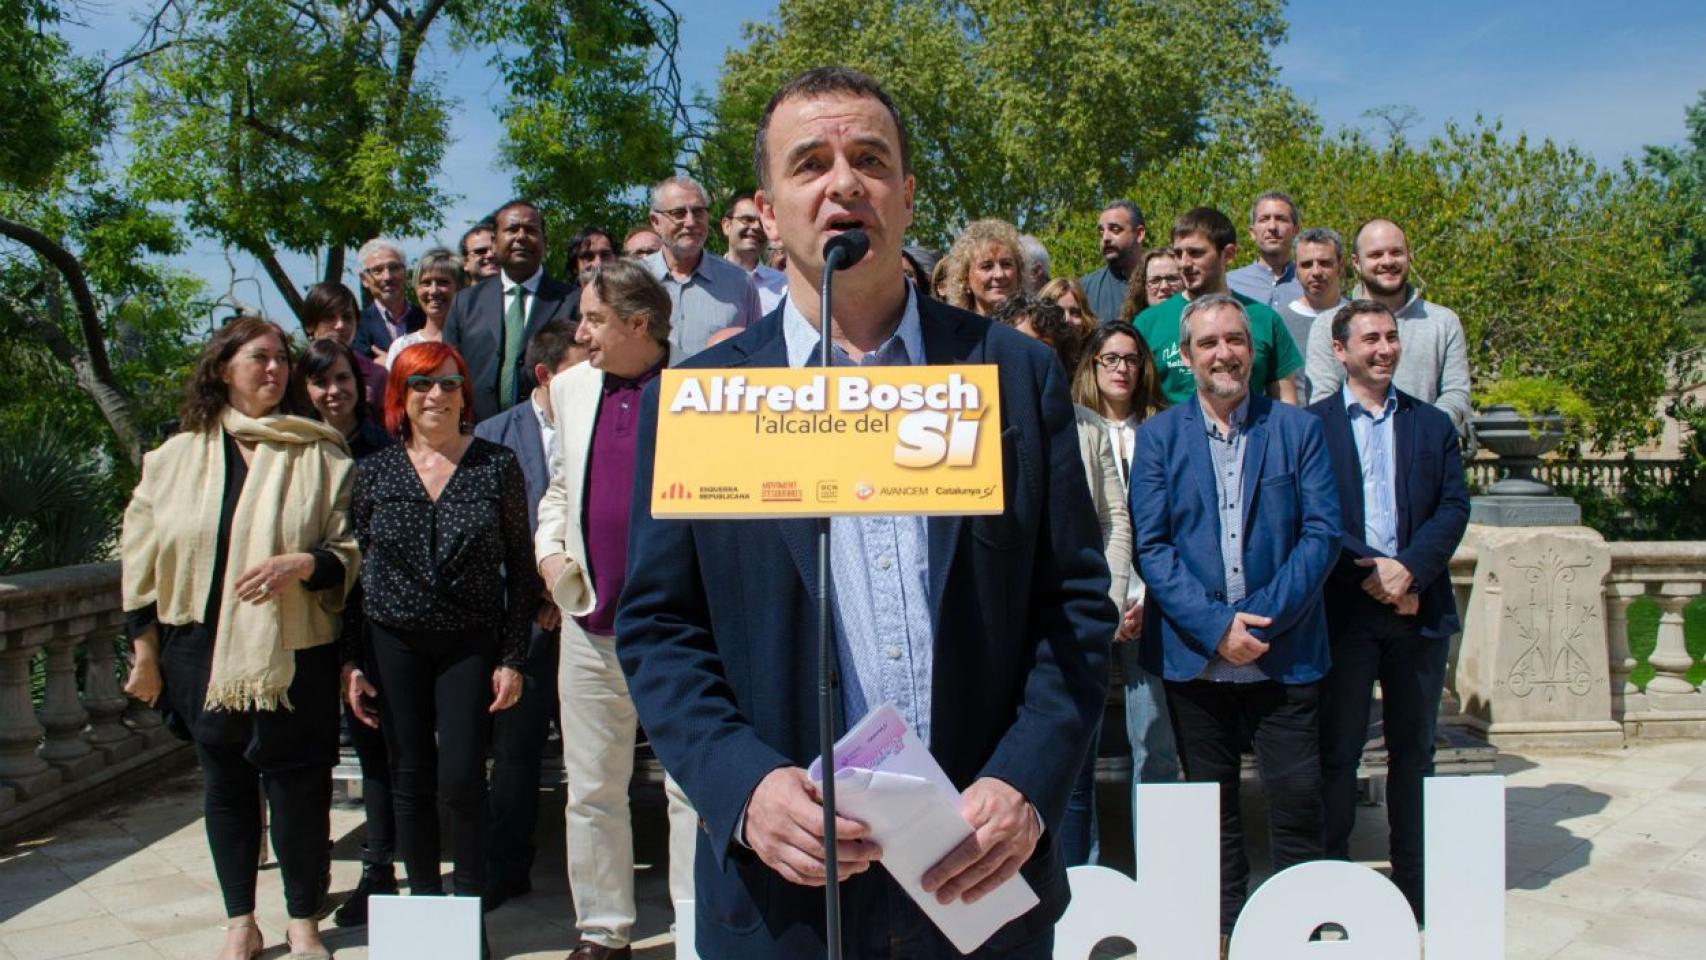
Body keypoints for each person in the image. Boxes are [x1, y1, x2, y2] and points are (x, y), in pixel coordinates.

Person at [616, 65, 1114, 959]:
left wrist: (1026, 783)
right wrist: (744, 787)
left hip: (978, 873)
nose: (843, 182)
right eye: (809, 163)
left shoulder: (1010, 376)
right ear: (766, 212)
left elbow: (1073, 608)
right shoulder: (700, 398)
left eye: (870, 159)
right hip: (788, 897)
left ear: (908, 196)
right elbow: (659, 628)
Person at [122, 316, 358, 960]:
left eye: (282, 359)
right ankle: (240, 921)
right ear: (223, 366)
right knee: (224, 786)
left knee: (300, 788)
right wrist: (143, 653)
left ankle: (305, 920)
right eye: (259, 358)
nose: (275, 370)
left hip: (296, 645)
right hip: (198, 646)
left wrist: (304, 564)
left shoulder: (320, 452)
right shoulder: (172, 459)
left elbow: (348, 548)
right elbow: (140, 562)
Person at [1129, 293, 1339, 944]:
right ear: (1187, 358)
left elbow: (1322, 534)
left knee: (1297, 805)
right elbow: (1153, 547)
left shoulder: (1299, 431)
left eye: (1236, 341)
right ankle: (1224, 934)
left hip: (1286, 657)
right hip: (1197, 665)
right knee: (1212, 816)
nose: (1225, 353)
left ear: (1254, 351)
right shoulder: (1159, 438)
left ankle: (1297, 933)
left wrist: (1259, 623)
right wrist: (1218, 628)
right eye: (1209, 343)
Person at [345, 342, 539, 953]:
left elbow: (521, 567)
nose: (436, 394)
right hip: (392, 639)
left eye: (449, 383)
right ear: (401, 396)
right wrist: (351, 661)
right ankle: (425, 912)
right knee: (409, 777)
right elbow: (356, 573)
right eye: (421, 383)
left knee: (460, 778)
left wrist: (512, 658)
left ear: (464, 394)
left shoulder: (496, 465)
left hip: (469, 641)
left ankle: (468, 908)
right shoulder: (375, 472)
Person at [534, 261, 701, 959]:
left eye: (595, 320)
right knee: (592, 790)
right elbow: (558, 491)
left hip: (682, 634)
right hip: (591, 628)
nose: (581, 333)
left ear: (639, 324)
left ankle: (697, 928)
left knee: (693, 790)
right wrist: (550, 558)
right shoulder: (570, 388)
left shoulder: (700, 391)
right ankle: (603, 931)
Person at [1307, 300, 1469, 922]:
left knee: (1414, 755)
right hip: (1346, 612)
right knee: (1338, 753)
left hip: (1417, 612)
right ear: (1340, 351)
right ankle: (1331, 885)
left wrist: (1411, 571)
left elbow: (1453, 508)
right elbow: (1314, 515)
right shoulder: (1312, 426)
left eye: (1391, 337)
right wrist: (1377, 571)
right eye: (1369, 339)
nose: (1384, 348)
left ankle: (1415, 887)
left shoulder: (1432, 425)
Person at [993, 296, 1130, 868]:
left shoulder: (1089, 429)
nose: (1029, 364)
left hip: (1071, 631)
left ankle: (1080, 892)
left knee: (1070, 781)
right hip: (998, 636)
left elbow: (1113, 520)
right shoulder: (969, 426)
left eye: (1043, 355)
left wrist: (1110, 603)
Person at [468, 318, 582, 912]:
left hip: (592, 616)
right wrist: (539, 599)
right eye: (577, 364)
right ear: (545, 375)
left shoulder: (606, 415)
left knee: (596, 759)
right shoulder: (492, 435)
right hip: (527, 625)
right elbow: (486, 536)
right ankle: (507, 864)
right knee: (515, 753)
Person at [290, 339, 398, 926]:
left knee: (374, 752)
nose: (332, 392)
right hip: (305, 617)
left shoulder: (384, 449)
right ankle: (308, 881)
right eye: (319, 382)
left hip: (371, 619)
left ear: (360, 384)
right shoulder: (291, 450)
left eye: (341, 380)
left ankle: (377, 869)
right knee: (307, 758)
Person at [1070, 321, 1180, 822]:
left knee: (1155, 744)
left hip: (1152, 604)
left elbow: (1179, 521)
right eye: (1110, 358)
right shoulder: (1073, 426)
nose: (1122, 369)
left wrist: (1151, 595)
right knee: (1077, 754)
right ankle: (1084, 871)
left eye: (1131, 359)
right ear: (1092, 364)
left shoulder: (1164, 427)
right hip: (1092, 605)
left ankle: (1156, 867)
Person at [1306, 218, 1472, 433]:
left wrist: (1422, 432)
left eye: (1396, 253)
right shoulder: (1327, 325)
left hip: (1426, 451)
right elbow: (1324, 398)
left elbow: (1456, 395)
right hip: (1354, 453)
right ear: (1356, 262)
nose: (1387, 261)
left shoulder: (1443, 322)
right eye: (1376, 255)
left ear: (1409, 256)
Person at [1132, 207, 1303, 406]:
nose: (1184, 263)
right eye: (1178, 254)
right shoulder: (1148, 323)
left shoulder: (1264, 319)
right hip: (1173, 434)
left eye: (1196, 253)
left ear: (1228, 254)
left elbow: (1285, 400)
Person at [444, 199, 578, 422]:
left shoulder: (572, 301)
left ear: (545, 242)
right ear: (495, 242)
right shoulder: (465, 303)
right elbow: (448, 371)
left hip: (550, 431)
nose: (521, 236)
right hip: (478, 433)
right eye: (512, 229)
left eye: (531, 230)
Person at [641, 175, 763, 362]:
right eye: (678, 213)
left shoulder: (740, 282)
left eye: (698, 212)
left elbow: (758, 353)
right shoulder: (633, 280)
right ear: (655, 222)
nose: (690, 222)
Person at [1279, 228, 1350, 404]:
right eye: (1307, 264)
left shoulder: (1359, 318)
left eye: (1325, 263)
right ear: (1296, 270)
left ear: (1340, 266)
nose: (1316, 271)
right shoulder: (1279, 322)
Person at [303, 281, 389, 410]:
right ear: (310, 325)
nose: (340, 325)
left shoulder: (378, 375)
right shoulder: (295, 376)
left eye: (347, 317)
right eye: (329, 317)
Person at [385, 247, 462, 368]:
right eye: (426, 283)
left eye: (443, 282)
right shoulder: (402, 347)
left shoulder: (471, 342)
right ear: (416, 289)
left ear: (459, 288)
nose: (434, 291)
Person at [1227, 191, 1305, 308]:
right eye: (1264, 219)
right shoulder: (1228, 284)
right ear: (1253, 233)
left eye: (1280, 219)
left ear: (1295, 231)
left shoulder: (1310, 284)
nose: (1272, 227)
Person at [353, 238, 424, 361]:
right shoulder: (356, 325)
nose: (387, 277)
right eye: (378, 270)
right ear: (364, 279)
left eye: (394, 268)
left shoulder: (426, 319)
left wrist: (391, 363)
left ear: (405, 272)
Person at [722, 190, 789, 314]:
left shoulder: (783, 286)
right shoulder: (708, 281)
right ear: (727, 226)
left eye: (762, 223)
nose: (756, 227)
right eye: (747, 219)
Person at [942, 218, 1027, 316]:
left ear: (1019, 272)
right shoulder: (950, 328)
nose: (999, 274)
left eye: (1006, 264)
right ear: (965, 277)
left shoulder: (1036, 328)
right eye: (987, 266)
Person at [1078, 200, 1146, 322]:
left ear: (1139, 234)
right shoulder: (1083, 290)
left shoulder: (1162, 283)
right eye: (1101, 231)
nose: (1105, 238)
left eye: (1115, 229)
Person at [1116, 247, 1184, 323]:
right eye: (1155, 280)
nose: (1164, 286)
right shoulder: (1134, 329)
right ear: (1143, 286)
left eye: (1172, 278)